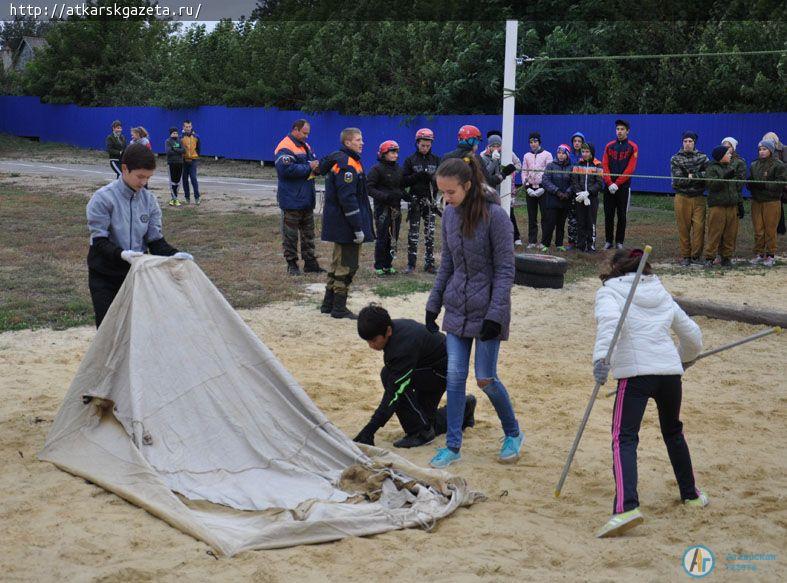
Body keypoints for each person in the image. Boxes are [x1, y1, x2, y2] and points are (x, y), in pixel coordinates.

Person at [592, 248, 706, 538]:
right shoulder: (660, 291)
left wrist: (601, 361)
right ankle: (690, 494)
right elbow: (691, 334)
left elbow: (609, 326)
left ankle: (626, 507)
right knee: (673, 431)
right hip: (669, 375)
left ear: (615, 268)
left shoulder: (608, 292)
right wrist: (684, 359)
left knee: (624, 437)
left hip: (636, 375)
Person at [425, 157, 522, 469]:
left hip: (488, 312)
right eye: (442, 193)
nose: (446, 199)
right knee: (454, 377)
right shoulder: (449, 217)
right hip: (457, 307)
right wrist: (433, 304)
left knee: (485, 378)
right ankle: (453, 446)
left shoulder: (496, 217)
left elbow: (506, 271)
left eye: (450, 192)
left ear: (467, 186)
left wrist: (495, 314)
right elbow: (448, 265)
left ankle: (513, 433)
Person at [86, 144, 193, 327]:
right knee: (108, 329)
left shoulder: (149, 201)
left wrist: (173, 254)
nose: (144, 182)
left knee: (138, 328)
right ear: (125, 168)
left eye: (148, 177)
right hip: (105, 275)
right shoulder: (102, 199)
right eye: (140, 176)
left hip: (136, 274)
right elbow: (99, 242)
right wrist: (121, 254)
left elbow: (155, 241)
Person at [353, 304, 477, 448]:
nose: (371, 346)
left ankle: (419, 433)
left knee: (389, 376)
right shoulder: (392, 328)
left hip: (440, 373)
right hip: (431, 368)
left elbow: (394, 392)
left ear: (387, 331)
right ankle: (465, 408)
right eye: (367, 341)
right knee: (427, 422)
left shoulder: (402, 346)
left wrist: (370, 429)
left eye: (373, 341)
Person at [319, 127, 375, 319]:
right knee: (347, 265)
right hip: (346, 225)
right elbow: (348, 199)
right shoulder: (348, 165)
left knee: (336, 263)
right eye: (358, 140)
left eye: (361, 139)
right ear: (347, 143)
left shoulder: (343, 161)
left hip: (340, 224)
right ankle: (339, 308)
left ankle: (328, 304)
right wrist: (358, 228)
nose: (362, 143)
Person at [274, 119, 323, 276]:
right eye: (304, 133)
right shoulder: (285, 146)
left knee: (308, 233)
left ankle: (310, 262)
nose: (306, 136)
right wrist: (309, 167)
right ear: (295, 129)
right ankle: (292, 264)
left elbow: (313, 163)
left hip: (306, 198)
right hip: (291, 199)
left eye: (308, 133)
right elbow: (286, 170)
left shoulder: (305, 146)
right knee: (290, 235)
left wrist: (316, 167)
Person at [401, 128, 440, 274]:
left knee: (430, 234)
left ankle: (429, 264)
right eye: (422, 145)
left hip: (430, 202)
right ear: (417, 143)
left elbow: (442, 181)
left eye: (428, 146)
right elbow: (403, 181)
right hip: (415, 201)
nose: (425, 148)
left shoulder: (436, 160)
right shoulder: (410, 160)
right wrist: (417, 176)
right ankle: (411, 264)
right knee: (414, 234)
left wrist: (433, 179)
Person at [670, 131, 710, 266]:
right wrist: (696, 176)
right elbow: (678, 180)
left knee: (699, 227)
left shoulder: (703, 157)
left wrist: (691, 176)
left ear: (694, 143)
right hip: (682, 197)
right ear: (682, 142)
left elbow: (708, 175)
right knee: (683, 228)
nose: (688, 144)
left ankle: (696, 256)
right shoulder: (676, 158)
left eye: (690, 141)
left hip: (699, 197)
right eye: (685, 141)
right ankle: (685, 256)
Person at [702, 145, 743, 268]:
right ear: (721, 156)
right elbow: (711, 185)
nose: (730, 155)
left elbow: (736, 188)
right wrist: (724, 178)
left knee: (730, 233)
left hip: (732, 206)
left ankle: (726, 257)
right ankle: (710, 257)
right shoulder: (711, 168)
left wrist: (739, 203)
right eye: (727, 153)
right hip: (718, 206)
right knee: (715, 233)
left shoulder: (731, 167)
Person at [480, 132, 523, 249]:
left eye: (498, 145)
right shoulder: (483, 156)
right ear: (488, 146)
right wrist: (494, 161)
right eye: (493, 146)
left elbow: (518, 164)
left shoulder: (508, 154)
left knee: (508, 213)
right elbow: (486, 173)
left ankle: (514, 237)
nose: (496, 148)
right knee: (490, 215)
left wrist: (512, 174)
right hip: (490, 191)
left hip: (505, 190)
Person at [748, 139, 787, 267]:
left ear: (770, 150)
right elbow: (752, 180)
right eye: (760, 149)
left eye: (764, 149)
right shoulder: (754, 164)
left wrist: (764, 184)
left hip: (772, 201)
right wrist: (751, 184)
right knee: (758, 230)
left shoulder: (778, 165)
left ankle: (770, 255)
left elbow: (780, 183)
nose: (762, 152)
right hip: (757, 201)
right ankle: (759, 254)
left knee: (770, 229)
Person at [368, 140, 404, 276]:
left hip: (396, 209)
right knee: (382, 237)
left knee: (393, 237)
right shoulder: (376, 169)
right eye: (392, 152)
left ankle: (388, 265)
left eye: (396, 152)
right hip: (382, 209)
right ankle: (379, 265)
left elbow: (401, 188)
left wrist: (407, 196)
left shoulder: (399, 170)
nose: (395, 155)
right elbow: (369, 187)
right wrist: (384, 196)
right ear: (384, 154)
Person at [602, 119, 639, 249]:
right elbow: (604, 165)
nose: (619, 131)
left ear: (627, 131)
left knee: (622, 215)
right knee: (608, 214)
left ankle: (619, 242)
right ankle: (608, 241)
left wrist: (617, 184)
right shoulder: (609, 146)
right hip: (608, 186)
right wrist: (609, 182)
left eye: (622, 129)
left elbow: (630, 168)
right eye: (618, 129)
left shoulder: (632, 147)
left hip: (623, 187)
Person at [441, 124, 516, 188]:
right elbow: (489, 182)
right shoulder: (476, 159)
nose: (477, 144)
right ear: (472, 141)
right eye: (477, 141)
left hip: (451, 202)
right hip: (471, 202)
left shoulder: (447, 157)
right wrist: (504, 173)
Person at [570, 142, 604, 252]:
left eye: (587, 152)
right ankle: (580, 245)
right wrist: (580, 193)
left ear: (592, 152)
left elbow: (599, 183)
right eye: (583, 151)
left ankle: (591, 245)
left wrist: (588, 193)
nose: (584, 154)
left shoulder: (598, 165)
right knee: (581, 222)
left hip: (592, 198)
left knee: (591, 221)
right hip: (580, 197)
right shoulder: (578, 164)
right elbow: (574, 181)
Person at [521, 132, 552, 249]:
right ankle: (532, 240)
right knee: (531, 216)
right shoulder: (526, 156)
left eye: (535, 141)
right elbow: (524, 171)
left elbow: (549, 172)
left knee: (545, 216)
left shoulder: (547, 155)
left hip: (543, 189)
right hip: (530, 189)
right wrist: (527, 187)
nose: (533, 144)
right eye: (531, 142)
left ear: (539, 142)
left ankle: (544, 241)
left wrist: (544, 187)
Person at [540, 144, 573, 252]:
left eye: (563, 153)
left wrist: (567, 193)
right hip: (552, 199)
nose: (561, 155)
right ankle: (545, 244)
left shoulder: (571, 167)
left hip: (565, 200)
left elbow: (574, 182)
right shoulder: (550, 165)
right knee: (550, 223)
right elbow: (545, 180)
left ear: (567, 155)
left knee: (561, 224)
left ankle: (559, 244)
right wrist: (557, 191)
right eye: (559, 153)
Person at [566, 131, 587, 250]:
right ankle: (572, 242)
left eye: (579, 141)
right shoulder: (569, 156)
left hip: (583, 192)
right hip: (571, 191)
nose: (577, 143)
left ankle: (582, 241)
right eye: (575, 141)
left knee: (583, 217)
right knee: (572, 218)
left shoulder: (586, 155)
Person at [762, 132, 786, 235]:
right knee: (777, 204)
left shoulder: (784, 149)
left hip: (782, 179)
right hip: (772, 181)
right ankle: (779, 228)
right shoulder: (765, 150)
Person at [181, 120, 201, 205]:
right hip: (184, 161)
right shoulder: (180, 137)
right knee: (184, 179)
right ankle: (187, 197)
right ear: (183, 127)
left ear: (191, 127)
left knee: (193, 178)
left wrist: (195, 155)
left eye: (189, 126)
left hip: (193, 160)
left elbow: (199, 148)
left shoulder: (196, 137)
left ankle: (197, 197)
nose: (188, 128)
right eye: (186, 127)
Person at [164, 127, 184, 206]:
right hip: (171, 163)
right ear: (171, 134)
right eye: (173, 133)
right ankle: (174, 198)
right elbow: (168, 152)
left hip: (180, 163)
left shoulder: (180, 140)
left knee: (178, 181)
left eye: (176, 133)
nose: (175, 134)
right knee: (172, 181)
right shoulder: (168, 141)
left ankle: (176, 198)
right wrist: (177, 149)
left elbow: (183, 150)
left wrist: (174, 148)